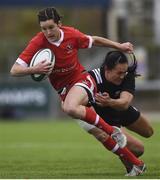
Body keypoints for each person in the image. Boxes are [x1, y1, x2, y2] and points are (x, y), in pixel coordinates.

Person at [10, 7, 144, 176]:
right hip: (64, 91)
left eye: (51, 27)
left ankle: (113, 131)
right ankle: (134, 164)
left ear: (59, 23)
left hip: (82, 80)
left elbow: (95, 40)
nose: (48, 32)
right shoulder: (38, 42)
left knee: (69, 108)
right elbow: (14, 70)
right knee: (101, 136)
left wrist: (120, 46)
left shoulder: (71, 34)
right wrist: (34, 69)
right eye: (44, 28)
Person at [78, 50, 153, 176]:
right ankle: (127, 161)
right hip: (103, 117)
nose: (122, 76)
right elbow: (77, 102)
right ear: (107, 69)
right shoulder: (91, 78)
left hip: (120, 109)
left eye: (124, 72)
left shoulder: (127, 75)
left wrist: (109, 102)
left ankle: (122, 145)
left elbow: (124, 103)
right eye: (119, 72)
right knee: (138, 149)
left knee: (149, 132)